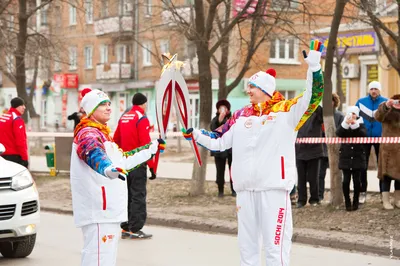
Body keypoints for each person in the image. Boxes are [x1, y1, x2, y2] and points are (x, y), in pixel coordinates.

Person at [182, 40, 324, 266]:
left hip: (274, 190)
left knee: (274, 247)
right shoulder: (240, 116)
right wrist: (196, 135)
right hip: (246, 190)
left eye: (253, 87)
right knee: (247, 248)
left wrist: (314, 69)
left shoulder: (286, 111)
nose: (248, 90)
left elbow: (312, 98)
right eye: (249, 86)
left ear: (266, 90)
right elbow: (219, 140)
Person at [70, 88, 164, 266]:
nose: (108, 108)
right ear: (90, 109)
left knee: (106, 260)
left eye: (108, 104)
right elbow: (92, 152)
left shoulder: (103, 133)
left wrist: (151, 149)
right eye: (102, 104)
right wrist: (107, 169)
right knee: (97, 259)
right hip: (98, 210)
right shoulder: (87, 133)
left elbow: (124, 160)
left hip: (109, 211)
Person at [114, 92, 155, 239]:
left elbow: (116, 139)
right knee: (138, 194)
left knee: (126, 195)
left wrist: (117, 159)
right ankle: (135, 228)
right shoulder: (141, 118)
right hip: (137, 163)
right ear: (143, 104)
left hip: (124, 163)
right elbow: (146, 144)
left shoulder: (123, 117)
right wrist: (152, 166)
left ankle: (125, 227)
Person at [355, 81, 387, 203]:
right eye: (372, 89)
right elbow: (354, 117)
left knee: (382, 166)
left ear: (379, 90)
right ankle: (363, 192)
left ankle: (382, 193)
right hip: (365, 138)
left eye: (376, 89)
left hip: (381, 138)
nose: (374, 91)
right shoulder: (361, 102)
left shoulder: (385, 102)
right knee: (363, 166)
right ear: (369, 90)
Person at [336, 106, 367, 211]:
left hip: (357, 157)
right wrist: (346, 124)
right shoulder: (344, 124)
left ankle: (356, 202)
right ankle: (347, 202)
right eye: (350, 113)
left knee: (357, 181)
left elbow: (363, 134)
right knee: (346, 181)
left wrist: (355, 125)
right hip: (346, 157)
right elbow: (338, 133)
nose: (352, 116)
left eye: (354, 113)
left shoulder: (361, 124)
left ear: (357, 115)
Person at [295, 105, 324, 208]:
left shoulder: (318, 109)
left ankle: (314, 199)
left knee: (313, 177)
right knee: (301, 178)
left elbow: (323, 118)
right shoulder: (298, 110)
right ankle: (301, 200)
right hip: (300, 150)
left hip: (314, 150)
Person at [374, 94, 400, 209]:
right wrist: (386, 105)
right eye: (396, 101)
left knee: (399, 176)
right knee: (386, 176)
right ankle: (385, 201)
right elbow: (377, 115)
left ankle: (397, 200)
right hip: (388, 150)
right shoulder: (386, 112)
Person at [318, 93, 344, 201]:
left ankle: (336, 196)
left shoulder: (339, 116)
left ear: (335, 102)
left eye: (331, 101)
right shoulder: (320, 115)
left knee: (336, 173)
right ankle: (320, 196)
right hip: (322, 149)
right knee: (320, 174)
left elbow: (341, 131)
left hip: (335, 149)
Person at [210, 99, 235, 197]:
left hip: (231, 150)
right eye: (221, 108)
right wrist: (220, 120)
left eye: (225, 108)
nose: (223, 110)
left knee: (233, 170)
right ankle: (220, 190)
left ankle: (234, 190)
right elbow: (213, 129)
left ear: (228, 110)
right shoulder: (215, 119)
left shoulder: (233, 119)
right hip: (219, 149)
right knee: (220, 170)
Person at [0, 97, 28, 167]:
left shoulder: (3, 117)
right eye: (22, 105)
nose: (24, 107)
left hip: (2, 155)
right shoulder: (17, 120)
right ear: (16, 106)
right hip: (14, 157)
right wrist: (25, 158)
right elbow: (20, 141)